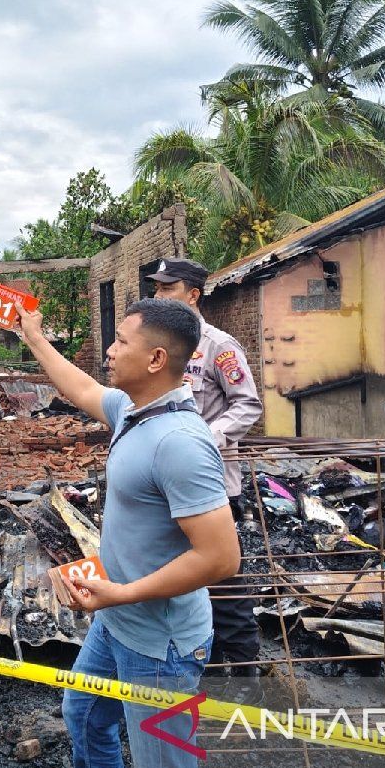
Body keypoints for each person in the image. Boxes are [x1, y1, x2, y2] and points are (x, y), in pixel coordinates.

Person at [15, 297, 240, 768]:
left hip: (160, 645)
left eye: (121, 341)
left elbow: (221, 558)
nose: (110, 351)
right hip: (116, 621)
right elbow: (81, 387)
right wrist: (34, 336)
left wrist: (124, 592)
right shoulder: (132, 412)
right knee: (85, 716)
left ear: (157, 359)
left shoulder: (178, 442)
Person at [149, 257, 264, 698]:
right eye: (157, 289)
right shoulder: (160, 348)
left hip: (212, 485)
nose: (159, 296)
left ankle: (249, 682)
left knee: (225, 583)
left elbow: (247, 405)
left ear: (193, 294)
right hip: (166, 488)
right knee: (184, 581)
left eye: (167, 289)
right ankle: (205, 673)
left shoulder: (219, 346)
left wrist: (204, 438)